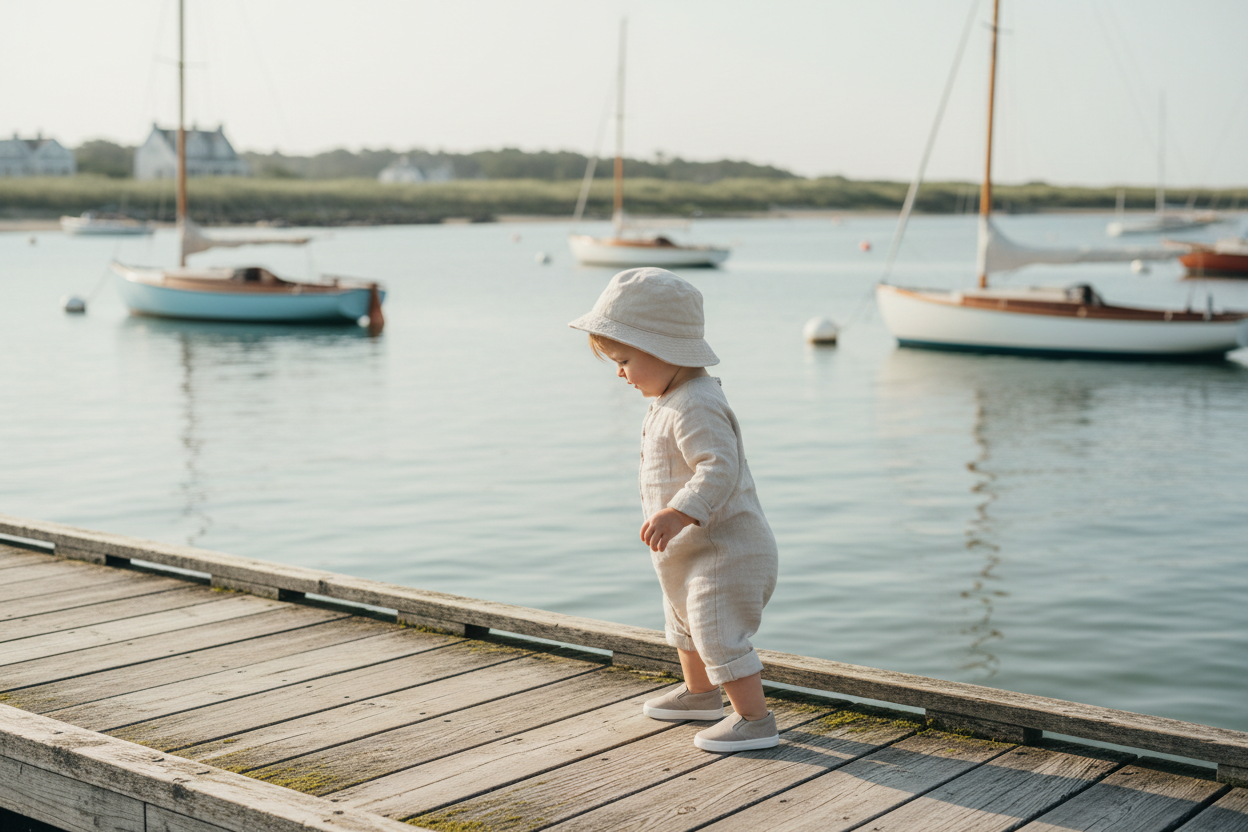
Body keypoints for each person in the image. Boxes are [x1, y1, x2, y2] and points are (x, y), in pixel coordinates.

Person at [568, 267, 780, 752]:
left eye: (623, 359)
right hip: (689, 552)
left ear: (661, 350)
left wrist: (679, 511)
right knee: (683, 622)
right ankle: (701, 696)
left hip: (727, 551)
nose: (619, 373)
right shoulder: (671, 396)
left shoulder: (696, 403)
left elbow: (718, 468)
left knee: (717, 630)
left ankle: (755, 719)